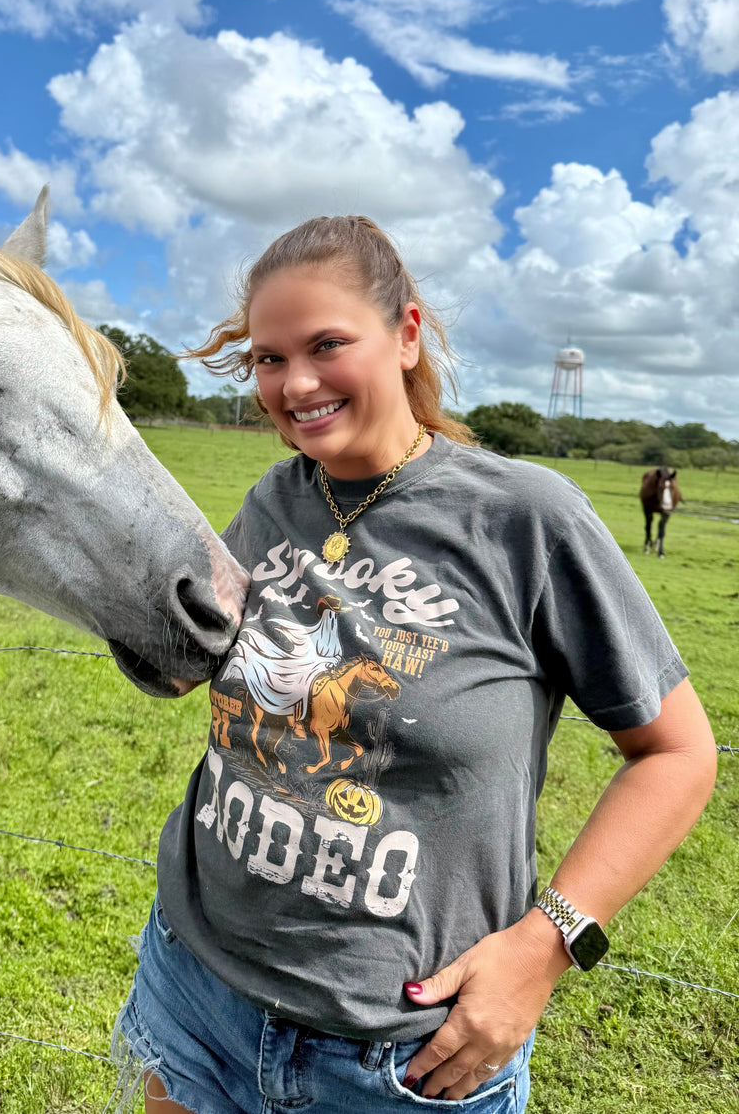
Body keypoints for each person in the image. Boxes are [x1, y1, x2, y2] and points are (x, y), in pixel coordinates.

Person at [108, 215, 718, 1114]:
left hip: (403, 1058)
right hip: (198, 987)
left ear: (406, 335)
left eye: (325, 345)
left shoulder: (525, 520)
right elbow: (187, 661)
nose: (295, 384)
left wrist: (544, 947)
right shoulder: (278, 495)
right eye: (269, 359)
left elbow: (677, 755)